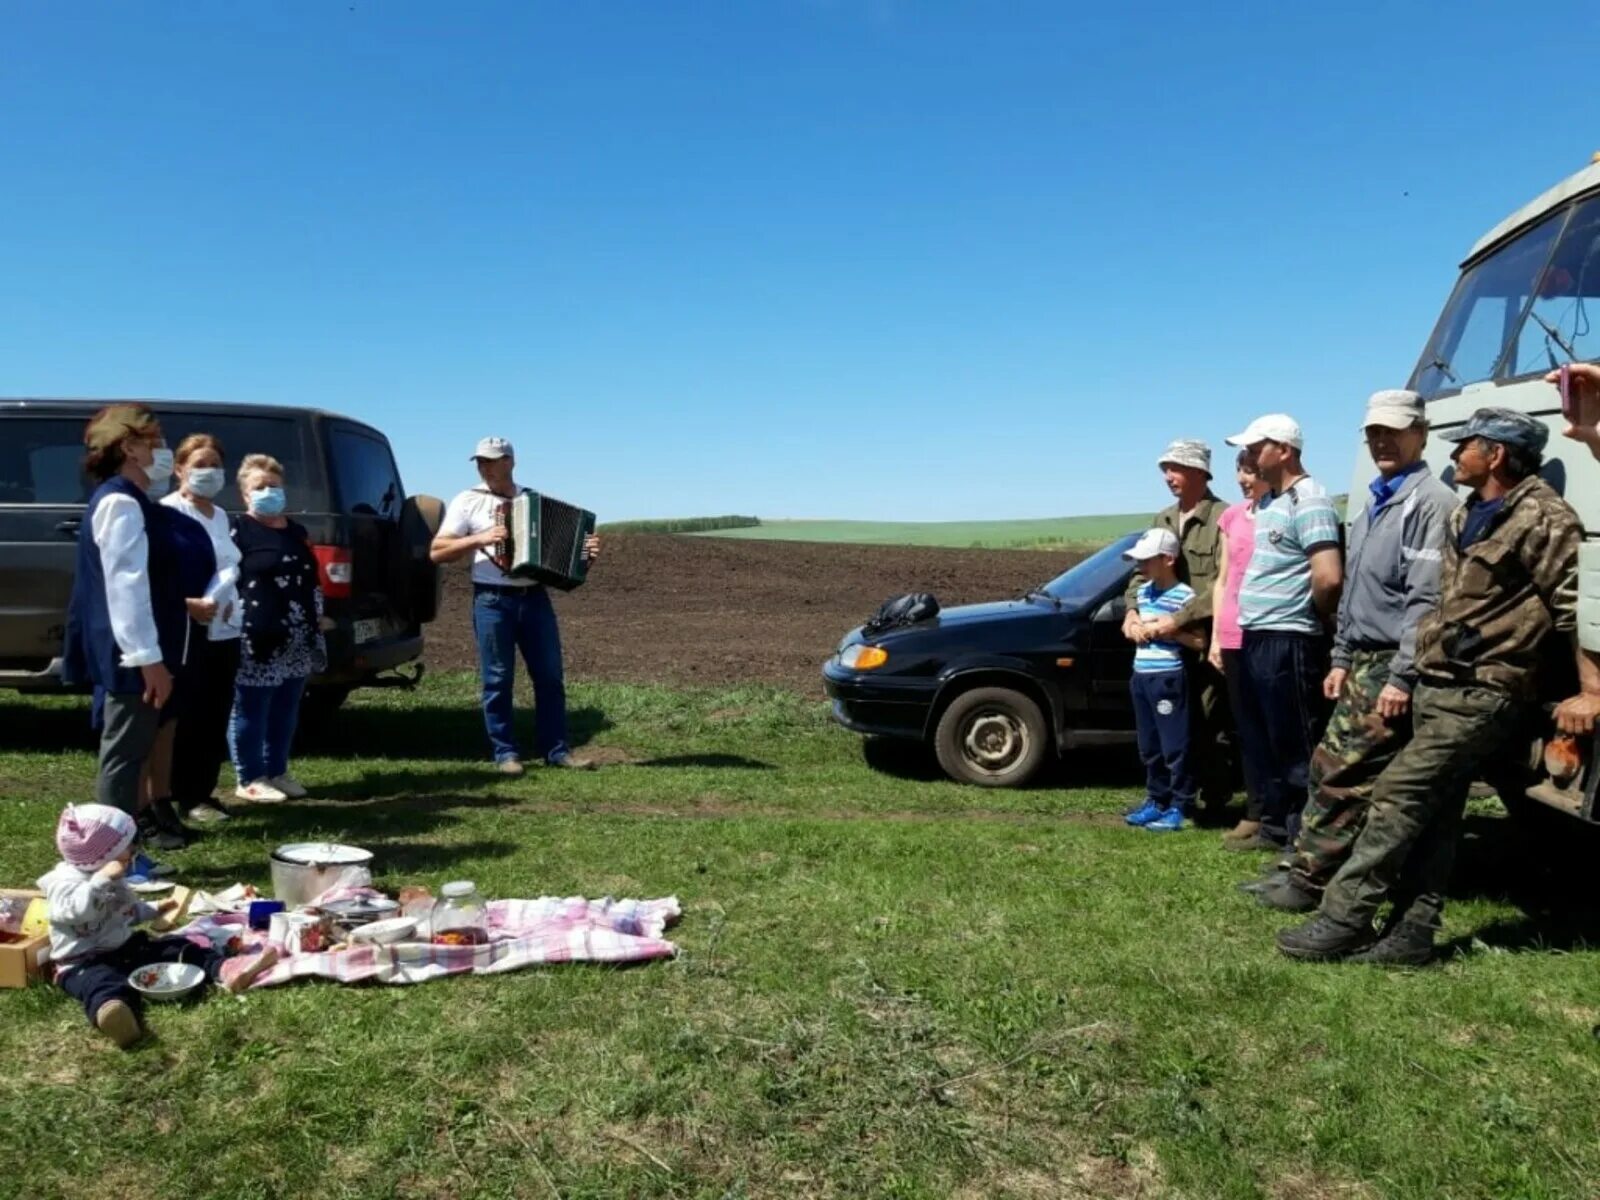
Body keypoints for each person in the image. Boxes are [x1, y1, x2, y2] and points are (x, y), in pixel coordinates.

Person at [1278, 408, 1600, 965]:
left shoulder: (1545, 518)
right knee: (1436, 814)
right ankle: (1412, 935)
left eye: (1466, 446)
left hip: (1487, 688)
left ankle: (1344, 918)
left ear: (1496, 454)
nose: (1454, 456)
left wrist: (1591, 690)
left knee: (1396, 798)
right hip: (1438, 682)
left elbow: (1577, 610)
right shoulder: (1469, 513)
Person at [1248, 391, 1457, 913]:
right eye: (1373, 433)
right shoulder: (1370, 504)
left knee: (1343, 772)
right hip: (1361, 658)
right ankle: (1307, 870)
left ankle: (1312, 881)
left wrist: (1403, 676)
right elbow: (1357, 592)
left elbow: (1426, 599)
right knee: (1328, 768)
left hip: (1391, 660)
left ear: (1421, 434)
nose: (1382, 441)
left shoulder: (1430, 503)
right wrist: (1340, 657)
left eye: (1393, 431)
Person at [40, 803, 278, 1048]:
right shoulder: (64, 883)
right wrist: (100, 881)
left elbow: (127, 912)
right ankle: (114, 1014)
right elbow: (77, 913)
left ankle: (226, 968)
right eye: (128, 847)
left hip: (124, 947)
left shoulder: (114, 879)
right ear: (103, 855)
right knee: (102, 983)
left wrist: (154, 908)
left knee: (175, 947)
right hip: (82, 962)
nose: (133, 851)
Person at [430, 436, 601, 775]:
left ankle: (557, 751)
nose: (484, 466)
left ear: (510, 462)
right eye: (480, 461)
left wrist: (586, 556)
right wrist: (478, 538)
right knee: (497, 679)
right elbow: (437, 552)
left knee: (550, 678)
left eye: (491, 460)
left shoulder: (532, 501)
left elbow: (564, 566)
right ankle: (505, 754)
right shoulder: (467, 501)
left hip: (535, 599)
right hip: (492, 600)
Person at [60, 405, 190, 852]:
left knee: (134, 749)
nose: (163, 452)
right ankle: (109, 857)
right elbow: (126, 586)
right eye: (156, 442)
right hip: (132, 653)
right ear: (129, 447)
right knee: (125, 757)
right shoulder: (119, 502)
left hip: (143, 649)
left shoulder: (135, 501)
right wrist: (147, 659)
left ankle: (121, 854)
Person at [1224, 414, 1343, 852]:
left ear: (1285, 451)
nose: (1251, 457)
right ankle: (1275, 829)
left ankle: (1305, 843)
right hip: (1256, 634)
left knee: (1296, 745)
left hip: (1288, 637)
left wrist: (1313, 616)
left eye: (1258, 448)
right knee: (1265, 740)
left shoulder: (1308, 501)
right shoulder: (1272, 502)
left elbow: (1328, 576)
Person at [1121, 439, 1232, 812]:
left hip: (1202, 636)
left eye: (1177, 468)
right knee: (1163, 730)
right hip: (1161, 645)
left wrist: (1177, 620)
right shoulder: (1163, 519)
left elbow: (1223, 582)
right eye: (1165, 469)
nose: (1169, 476)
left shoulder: (1223, 518)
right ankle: (1167, 797)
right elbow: (1142, 574)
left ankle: (1213, 797)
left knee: (1208, 717)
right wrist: (1132, 611)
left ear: (1200, 472)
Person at [230, 454, 326, 803]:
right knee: (253, 706)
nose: (268, 492)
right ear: (245, 495)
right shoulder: (237, 531)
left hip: (298, 632)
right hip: (257, 632)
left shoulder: (296, 531)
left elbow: (311, 578)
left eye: (274, 486)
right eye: (260, 487)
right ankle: (250, 776)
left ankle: (277, 769)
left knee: (287, 706)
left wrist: (317, 619)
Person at [161, 434, 243, 824]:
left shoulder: (221, 515)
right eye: (199, 465)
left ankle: (203, 791)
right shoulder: (166, 512)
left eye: (215, 465)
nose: (208, 473)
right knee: (187, 712)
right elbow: (151, 577)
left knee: (215, 710)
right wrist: (187, 605)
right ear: (179, 469)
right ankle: (181, 794)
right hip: (187, 629)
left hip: (223, 628)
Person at [1121, 529, 1207, 832]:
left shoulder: (1185, 597)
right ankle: (1156, 799)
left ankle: (1181, 804)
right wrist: (1134, 628)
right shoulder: (1143, 593)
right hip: (1141, 675)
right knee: (1150, 745)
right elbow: (1131, 626)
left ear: (1168, 560)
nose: (1140, 567)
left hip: (1168, 677)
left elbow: (1199, 642)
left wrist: (1168, 631)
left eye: (1146, 561)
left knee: (1175, 745)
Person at [1208, 450, 1270, 845]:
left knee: (1276, 727)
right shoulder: (1231, 517)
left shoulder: (1281, 514)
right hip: (1232, 635)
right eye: (1241, 470)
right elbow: (1222, 580)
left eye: (1251, 470)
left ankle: (1285, 811)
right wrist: (1216, 635)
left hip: (1268, 632)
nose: (1244, 478)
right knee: (1246, 727)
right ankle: (1256, 811)